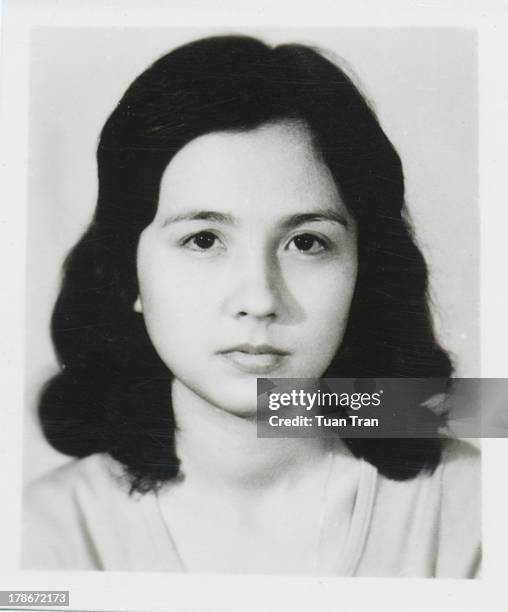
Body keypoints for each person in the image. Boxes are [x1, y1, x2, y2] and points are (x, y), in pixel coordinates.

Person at [23, 34, 480, 577]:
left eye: (307, 242)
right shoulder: (45, 532)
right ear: (129, 272)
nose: (260, 300)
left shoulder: (473, 513)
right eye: (203, 240)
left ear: (365, 269)